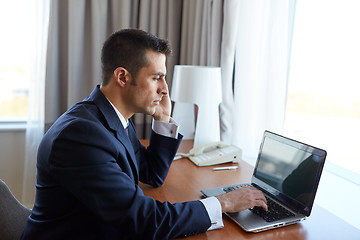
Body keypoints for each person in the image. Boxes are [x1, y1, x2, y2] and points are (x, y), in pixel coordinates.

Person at [21, 29, 267, 240]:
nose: (164, 89)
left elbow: (151, 174)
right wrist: (223, 203)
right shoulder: (80, 135)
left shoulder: (111, 118)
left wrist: (162, 119)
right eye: (156, 77)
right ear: (122, 77)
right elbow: (145, 221)